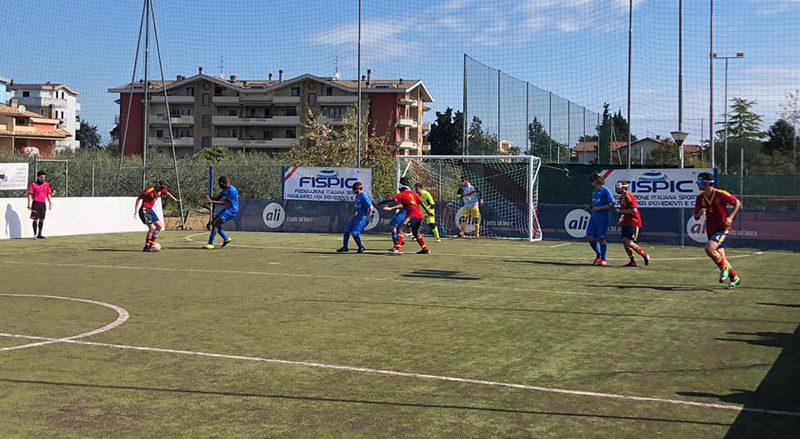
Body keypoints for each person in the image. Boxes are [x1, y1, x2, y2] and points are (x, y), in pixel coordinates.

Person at [694, 172, 742, 288]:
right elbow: (696, 216)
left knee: (709, 248)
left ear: (706, 183)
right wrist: (700, 213)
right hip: (710, 229)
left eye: (700, 181)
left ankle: (724, 268)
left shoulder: (720, 194)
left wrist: (730, 217)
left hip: (722, 228)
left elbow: (737, 203)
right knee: (719, 256)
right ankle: (735, 278)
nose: (697, 184)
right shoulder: (700, 197)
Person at [381, 180, 430, 255]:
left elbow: (390, 199)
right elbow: (421, 202)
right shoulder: (413, 193)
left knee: (400, 228)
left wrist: (380, 203)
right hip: (419, 216)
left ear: (401, 187)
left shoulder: (402, 194)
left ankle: (398, 248)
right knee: (415, 232)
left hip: (412, 215)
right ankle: (425, 249)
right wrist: (427, 211)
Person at [134, 179, 179, 252]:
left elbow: (168, 194)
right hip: (144, 210)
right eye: (160, 187)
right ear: (157, 185)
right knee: (152, 227)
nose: (161, 189)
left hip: (150, 210)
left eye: (162, 188)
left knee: (159, 226)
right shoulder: (148, 190)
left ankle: (151, 242)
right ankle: (147, 246)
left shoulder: (161, 189)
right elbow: (138, 199)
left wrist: (175, 200)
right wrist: (135, 211)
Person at [615, 181, 650, 267]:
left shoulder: (628, 196)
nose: (616, 189)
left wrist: (621, 211)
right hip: (626, 222)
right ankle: (632, 261)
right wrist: (621, 218)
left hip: (633, 222)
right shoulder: (621, 198)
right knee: (624, 241)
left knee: (629, 241)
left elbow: (634, 210)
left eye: (618, 187)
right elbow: (624, 210)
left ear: (623, 188)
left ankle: (645, 255)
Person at [204, 176, 239, 250]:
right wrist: (208, 196)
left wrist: (212, 201)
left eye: (220, 185)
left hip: (232, 210)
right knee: (214, 223)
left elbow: (224, 202)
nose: (220, 186)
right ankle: (226, 238)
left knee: (216, 223)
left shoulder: (232, 190)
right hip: (228, 209)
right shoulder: (225, 190)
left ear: (223, 183)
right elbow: (217, 198)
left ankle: (210, 243)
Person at [587, 172, 614, 266]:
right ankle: (598, 254)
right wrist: (592, 207)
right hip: (594, 217)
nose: (591, 183)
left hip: (602, 217)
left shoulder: (606, 190)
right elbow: (595, 204)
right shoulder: (594, 191)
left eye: (592, 180)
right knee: (590, 237)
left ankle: (603, 259)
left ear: (597, 180)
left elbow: (611, 204)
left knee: (601, 239)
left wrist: (599, 208)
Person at [337, 181, 373, 253]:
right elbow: (355, 207)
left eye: (354, 189)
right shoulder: (357, 196)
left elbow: (370, 207)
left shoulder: (364, 195)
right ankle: (345, 247)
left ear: (359, 188)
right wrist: (352, 215)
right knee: (347, 230)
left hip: (363, 217)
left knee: (355, 233)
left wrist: (368, 217)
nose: (353, 190)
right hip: (357, 216)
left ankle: (361, 247)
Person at [27, 170, 52, 239]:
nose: (43, 178)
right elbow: (29, 195)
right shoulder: (33, 184)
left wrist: (50, 203)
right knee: (35, 219)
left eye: (44, 177)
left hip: (43, 204)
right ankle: (35, 234)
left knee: (42, 219)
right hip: (35, 204)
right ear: (38, 177)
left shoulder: (46, 184)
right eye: (41, 177)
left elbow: (48, 194)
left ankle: (39, 234)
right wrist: (29, 204)